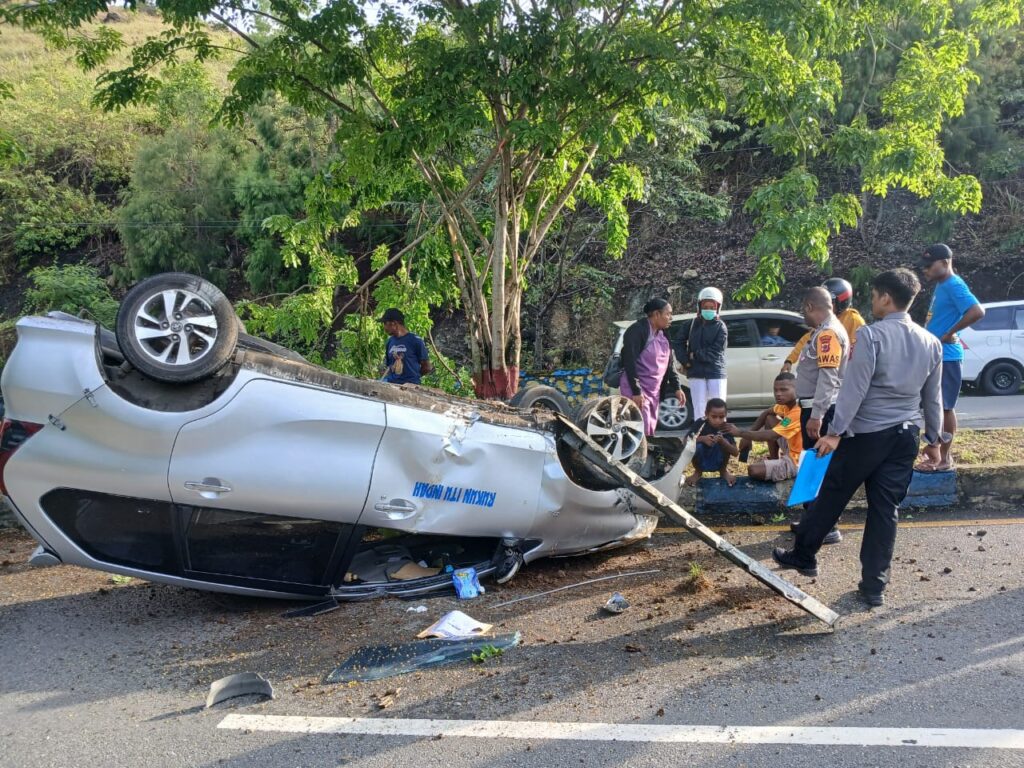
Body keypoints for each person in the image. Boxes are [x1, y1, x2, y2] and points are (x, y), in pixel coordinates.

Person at [772, 268, 945, 607]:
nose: (872, 302)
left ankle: (804, 554)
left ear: (885, 298)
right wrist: (935, 441)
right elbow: (932, 398)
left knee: (833, 493)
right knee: (885, 510)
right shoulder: (931, 342)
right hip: (906, 436)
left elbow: (854, 388)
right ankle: (874, 587)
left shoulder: (871, 335)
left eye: (875, 295)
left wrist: (835, 433)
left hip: (867, 433)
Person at [916, 243, 985, 472]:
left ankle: (943, 459)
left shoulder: (954, 284)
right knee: (935, 406)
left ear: (945, 263)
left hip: (947, 357)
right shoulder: (942, 284)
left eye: (929, 266)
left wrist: (950, 333)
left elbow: (977, 311)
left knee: (944, 407)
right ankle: (936, 454)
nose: (925, 270)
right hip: (938, 356)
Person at [791, 286, 850, 545]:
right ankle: (812, 520)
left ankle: (826, 527)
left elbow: (828, 378)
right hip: (814, 408)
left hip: (820, 411)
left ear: (809, 307)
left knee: (819, 470)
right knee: (813, 466)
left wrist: (817, 415)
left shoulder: (827, 334)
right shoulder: (824, 331)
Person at [619, 298, 686, 436]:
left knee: (649, 429)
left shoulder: (663, 334)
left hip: (653, 392)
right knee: (637, 431)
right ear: (656, 314)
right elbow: (629, 362)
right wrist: (636, 391)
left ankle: (644, 457)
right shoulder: (637, 331)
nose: (671, 318)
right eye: (668, 314)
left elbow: (669, 364)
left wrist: (677, 387)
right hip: (637, 389)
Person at [724, 373, 802, 482]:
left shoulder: (797, 411)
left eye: (784, 390)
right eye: (775, 390)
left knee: (753, 470)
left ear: (797, 389)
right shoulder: (784, 405)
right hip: (790, 447)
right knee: (770, 419)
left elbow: (772, 435)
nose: (778, 394)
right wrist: (748, 436)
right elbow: (766, 413)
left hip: (798, 461)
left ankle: (788, 470)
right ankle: (775, 459)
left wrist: (740, 433)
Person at [782, 278, 866, 373]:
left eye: (830, 301)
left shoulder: (854, 320)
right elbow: (807, 339)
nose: (824, 305)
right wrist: (790, 360)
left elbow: (860, 352)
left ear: (842, 302)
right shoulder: (827, 319)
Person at [676, 287, 728, 419]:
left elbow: (716, 352)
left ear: (717, 308)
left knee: (718, 406)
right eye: (706, 306)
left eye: (712, 307)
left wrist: (695, 355)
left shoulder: (721, 327)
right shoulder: (690, 324)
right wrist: (686, 361)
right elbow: (678, 343)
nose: (709, 310)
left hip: (716, 372)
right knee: (699, 407)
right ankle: (700, 436)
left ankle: (720, 436)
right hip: (696, 372)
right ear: (699, 306)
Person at [684, 398, 738, 487]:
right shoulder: (700, 422)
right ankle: (698, 472)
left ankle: (723, 471)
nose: (717, 420)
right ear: (706, 414)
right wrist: (702, 439)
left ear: (725, 415)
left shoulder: (726, 427)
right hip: (702, 456)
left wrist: (723, 442)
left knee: (726, 442)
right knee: (695, 445)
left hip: (719, 457)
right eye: (714, 416)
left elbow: (735, 452)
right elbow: (685, 441)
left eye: (721, 417)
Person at [380, 308, 433, 385]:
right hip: (391, 384)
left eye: (385, 323)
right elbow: (390, 366)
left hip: (409, 387)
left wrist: (413, 378)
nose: (384, 327)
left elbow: (427, 367)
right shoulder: (390, 342)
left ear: (394, 323)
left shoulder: (415, 340)